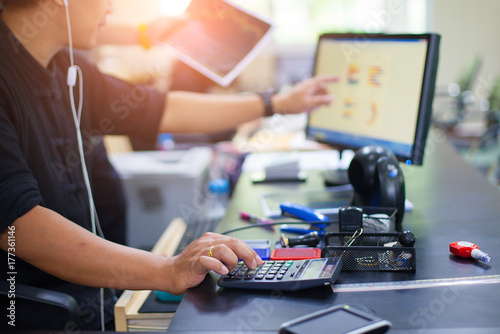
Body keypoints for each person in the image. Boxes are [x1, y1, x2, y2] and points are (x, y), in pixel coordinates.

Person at [0, 0, 338, 330]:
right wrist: (167, 270)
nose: (111, 8)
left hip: (92, 294)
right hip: (41, 312)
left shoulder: (69, 70)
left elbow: (164, 109)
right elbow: (19, 226)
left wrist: (275, 103)